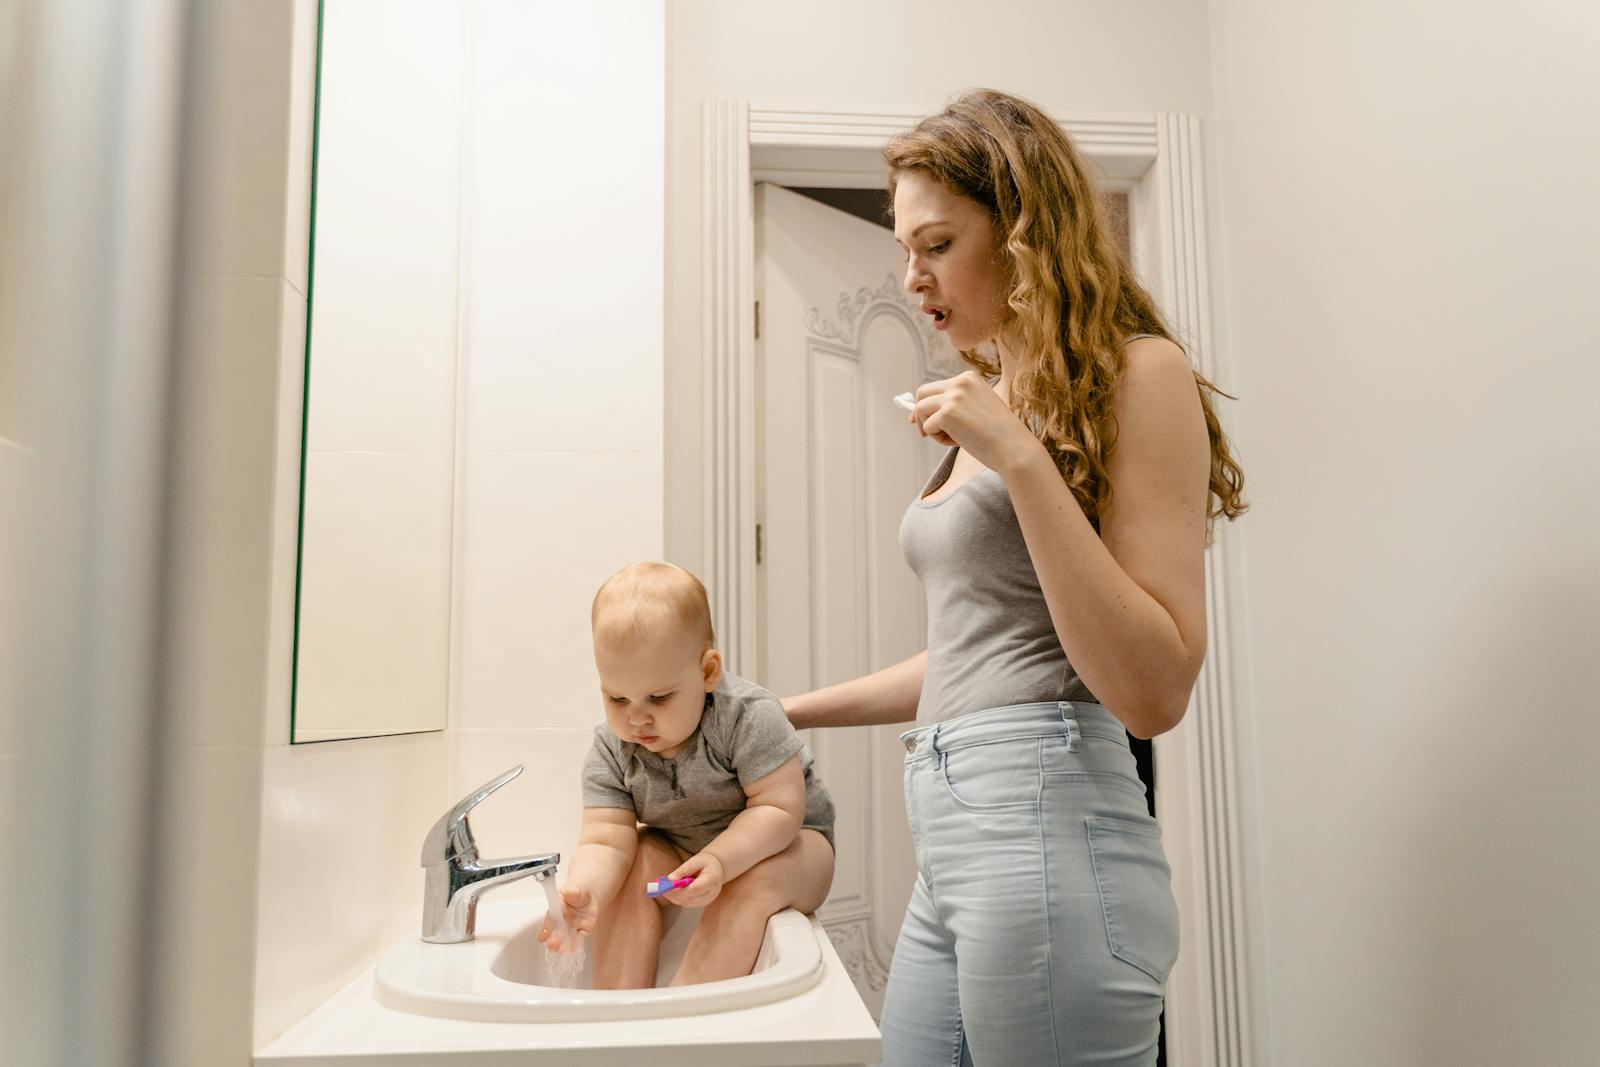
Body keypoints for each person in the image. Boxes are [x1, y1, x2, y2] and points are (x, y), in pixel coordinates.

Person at [781, 89, 1246, 1066]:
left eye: (937, 243)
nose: (910, 278)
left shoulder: (1138, 372)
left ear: (1024, 231)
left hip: (1049, 825)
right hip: (956, 837)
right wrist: (786, 712)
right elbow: (977, 653)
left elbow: (1155, 689)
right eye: (903, 248)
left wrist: (1019, 456)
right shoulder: (996, 401)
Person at [539, 562, 835, 988]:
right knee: (633, 862)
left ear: (707, 672)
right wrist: (588, 890)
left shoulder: (746, 717)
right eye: (616, 697)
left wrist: (720, 861)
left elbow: (778, 808)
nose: (636, 717)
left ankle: (687, 1009)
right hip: (683, 848)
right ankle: (619, 1011)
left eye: (658, 697)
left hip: (789, 846)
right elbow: (605, 838)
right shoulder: (612, 747)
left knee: (752, 880)